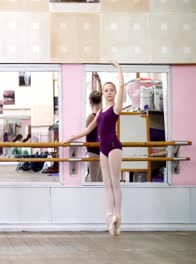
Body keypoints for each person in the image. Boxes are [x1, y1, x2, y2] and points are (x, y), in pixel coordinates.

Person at [63, 61, 124, 236]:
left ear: (115, 93)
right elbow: (87, 130)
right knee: (106, 185)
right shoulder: (99, 112)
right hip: (102, 147)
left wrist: (118, 68)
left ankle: (118, 216)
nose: (109, 93)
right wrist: (70, 138)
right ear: (103, 94)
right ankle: (109, 216)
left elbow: (120, 85)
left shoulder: (116, 108)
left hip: (113, 146)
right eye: (106, 91)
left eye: (111, 90)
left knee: (115, 183)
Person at [86, 72, 103, 182]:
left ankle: (94, 198)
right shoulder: (102, 113)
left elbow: (86, 132)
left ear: (90, 101)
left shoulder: (90, 117)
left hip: (93, 150)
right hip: (101, 150)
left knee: (94, 179)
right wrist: (99, 81)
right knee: (100, 178)